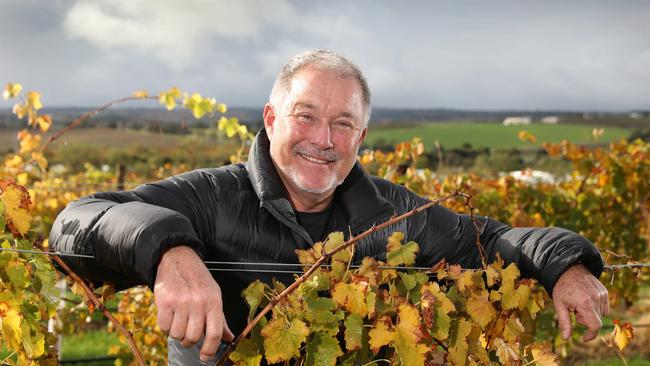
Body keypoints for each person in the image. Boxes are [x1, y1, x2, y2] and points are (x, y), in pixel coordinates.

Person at [50, 50, 609, 364]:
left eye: (343, 123)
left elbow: (498, 240)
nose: (324, 138)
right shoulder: (212, 197)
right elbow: (76, 222)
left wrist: (567, 264)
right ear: (270, 119)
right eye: (307, 115)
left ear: (361, 136)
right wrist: (170, 251)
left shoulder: (393, 214)